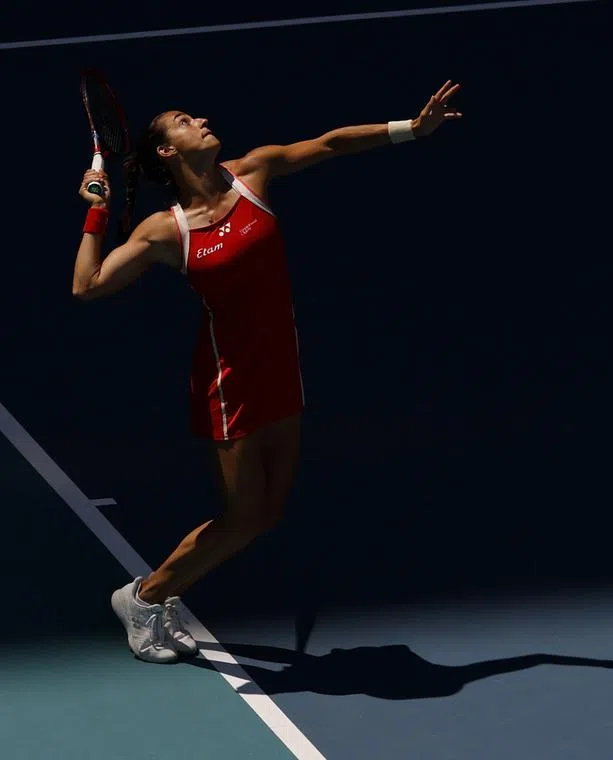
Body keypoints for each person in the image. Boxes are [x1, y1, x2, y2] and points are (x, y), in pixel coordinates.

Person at [72, 80, 463, 664]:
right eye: (184, 120)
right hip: (231, 384)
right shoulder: (165, 230)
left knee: (268, 511)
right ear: (166, 152)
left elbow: (330, 145)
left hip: (283, 367)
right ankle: (144, 598)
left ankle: (159, 592)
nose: (200, 118)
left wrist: (412, 127)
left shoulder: (251, 173)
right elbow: (87, 285)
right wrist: (98, 213)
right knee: (244, 515)